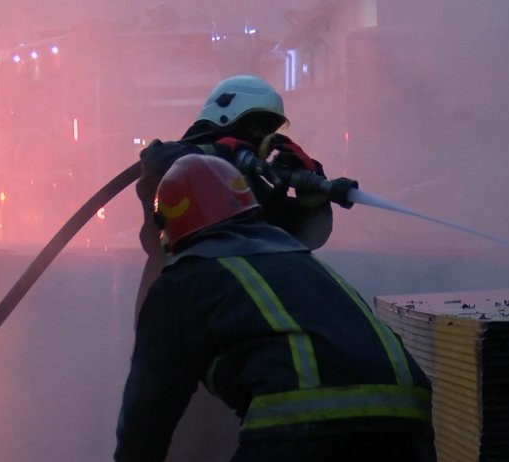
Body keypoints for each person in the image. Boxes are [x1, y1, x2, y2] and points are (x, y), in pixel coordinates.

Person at [91, 154, 462, 462]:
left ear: (171, 228)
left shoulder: (182, 283)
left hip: (299, 419)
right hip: (401, 408)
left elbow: (146, 422)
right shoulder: (297, 260)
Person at [133, 74, 353, 315]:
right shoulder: (176, 163)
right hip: (180, 308)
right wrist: (225, 151)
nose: (260, 137)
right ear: (224, 117)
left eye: (267, 130)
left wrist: (311, 201)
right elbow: (158, 161)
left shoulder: (246, 185)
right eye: (255, 127)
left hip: (235, 311)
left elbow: (305, 237)